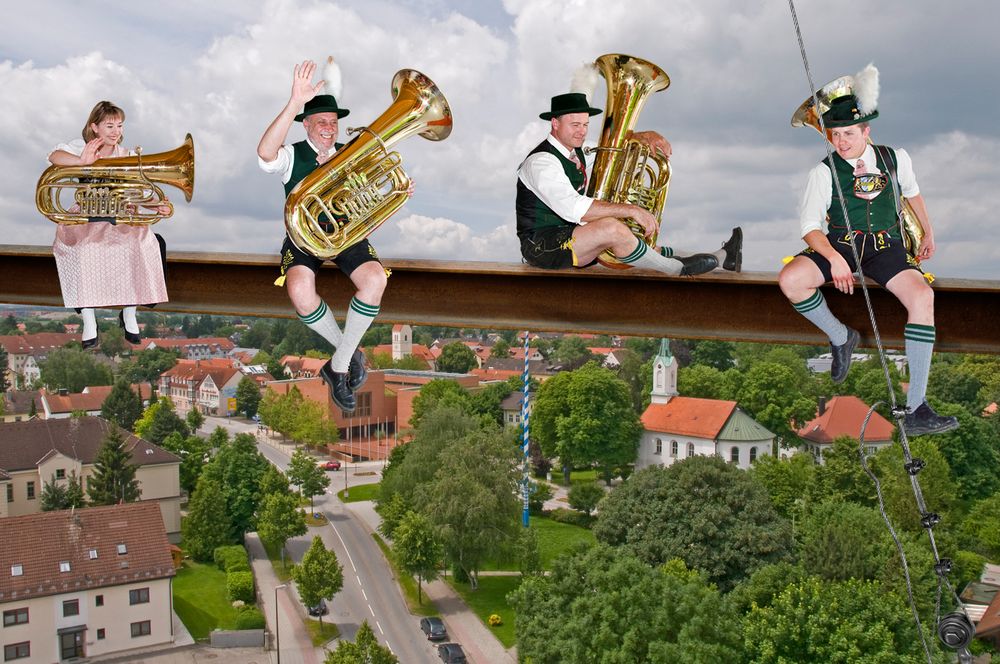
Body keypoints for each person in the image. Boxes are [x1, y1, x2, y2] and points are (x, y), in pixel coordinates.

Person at [777, 66, 957, 436]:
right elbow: (811, 228)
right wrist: (834, 258)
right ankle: (841, 336)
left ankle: (917, 407)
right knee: (791, 280)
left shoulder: (895, 158)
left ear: (866, 131)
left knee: (922, 297)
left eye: (849, 134)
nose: (841, 142)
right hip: (841, 244)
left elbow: (912, 194)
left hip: (887, 247)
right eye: (836, 135)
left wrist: (927, 232)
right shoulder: (823, 172)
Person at [257, 59, 384, 413]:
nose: (329, 128)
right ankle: (349, 352)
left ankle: (338, 366)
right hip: (302, 235)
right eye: (321, 122)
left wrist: (381, 207)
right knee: (299, 292)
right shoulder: (291, 155)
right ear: (307, 124)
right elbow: (264, 153)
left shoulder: (349, 153)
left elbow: (367, 199)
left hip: (344, 235)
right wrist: (294, 103)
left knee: (374, 280)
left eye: (333, 122)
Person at [516, 92, 742, 275]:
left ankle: (723, 257)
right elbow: (574, 208)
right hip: (542, 246)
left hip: (573, 237)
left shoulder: (582, 151)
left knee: (637, 246)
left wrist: (641, 136)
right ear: (554, 123)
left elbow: (614, 150)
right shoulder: (540, 163)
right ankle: (677, 270)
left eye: (585, 125)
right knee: (611, 227)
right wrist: (631, 210)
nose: (582, 131)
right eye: (575, 125)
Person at [47, 101, 169, 349]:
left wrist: (157, 206)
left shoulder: (128, 155)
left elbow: (139, 190)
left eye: (120, 125)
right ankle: (89, 320)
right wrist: (82, 161)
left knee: (137, 244)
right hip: (87, 217)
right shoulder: (81, 147)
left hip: (121, 216)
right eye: (109, 125)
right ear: (95, 127)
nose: (116, 131)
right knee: (84, 250)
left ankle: (129, 312)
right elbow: (53, 156)